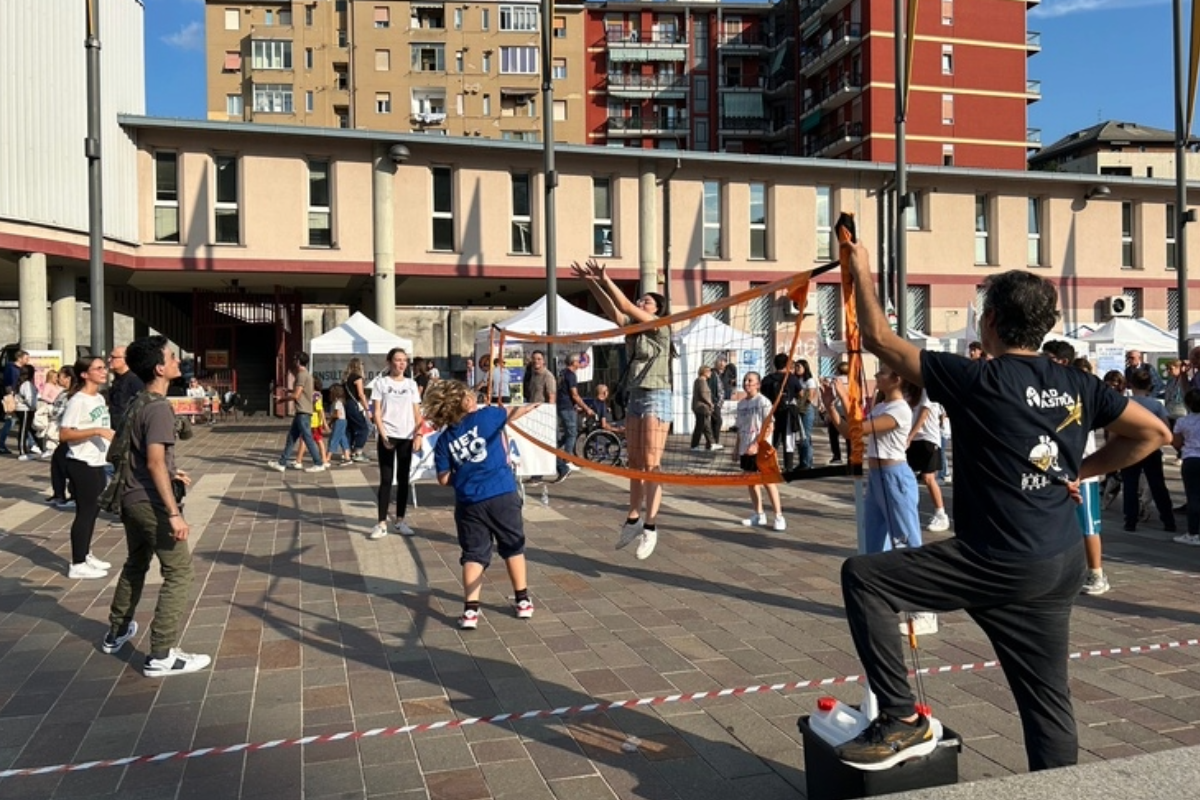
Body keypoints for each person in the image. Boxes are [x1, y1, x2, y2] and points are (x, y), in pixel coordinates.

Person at [833, 242, 1169, 772]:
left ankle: (901, 720)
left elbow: (878, 339)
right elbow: (1154, 432)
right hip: (1060, 560)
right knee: (1047, 707)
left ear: (989, 321)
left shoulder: (976, 379)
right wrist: (1081, 471)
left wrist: (856, 268)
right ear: (1045, 325)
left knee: (865, 579)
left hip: (1000, 559)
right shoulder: (1075, 381)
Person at [102, 335, 211, 677]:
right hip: (150, 502)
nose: (178, 360)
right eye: (172, 357)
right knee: (179, 572)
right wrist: (174, 514)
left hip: (130, 499)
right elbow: (152, 461)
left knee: (136, 563)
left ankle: (116, 632)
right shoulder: (160, 407)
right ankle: (162, 653)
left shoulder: (139, 401)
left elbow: (136, 454)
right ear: (160, 368)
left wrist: (169, 470)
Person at [572, 258, 670, 561]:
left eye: (648, 300)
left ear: (657, 309)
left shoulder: (661, 328)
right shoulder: (633, 330)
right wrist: (591, 282)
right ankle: (632, 518)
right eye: (642, 298)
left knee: (652, 464)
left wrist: (606, 277)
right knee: (635, 463)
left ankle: (651, 527)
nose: (643, 301)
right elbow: (617, 311)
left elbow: (626, 306)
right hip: (636, 395)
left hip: (657, 394)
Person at [425, 380, 541, 629]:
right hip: (502, 493)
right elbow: (513, 412)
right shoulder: (488, 416)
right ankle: (522, 601)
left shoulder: (445, 440)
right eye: (470, 393)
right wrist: (533, 406)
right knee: (513, 547)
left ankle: (470, 611)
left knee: (474, 554)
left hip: (469, 502)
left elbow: (444, 478)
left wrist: (464, 475)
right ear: (465, 401)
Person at [823, 368, 921, 553]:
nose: (876, 375)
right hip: (876, 476)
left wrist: (845, 397)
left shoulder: (900, 409)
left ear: (897, 379)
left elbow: (859, 429)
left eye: (882, 372)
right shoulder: (880, 406)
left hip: (895, 476)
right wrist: (830, 406)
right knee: (872, 538)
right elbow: (849, 432)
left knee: (905, 539)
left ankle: (913, 578)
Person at [1045, 341, 1109, 595]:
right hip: (1055, 469)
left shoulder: (1081, 391)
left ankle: (1097, 574)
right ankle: (1061, 573)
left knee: (1088, 525)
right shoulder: (1047, 390)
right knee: (1056, 524)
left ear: (1061, 361)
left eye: (1047, 358)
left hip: (1082, 470)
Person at [59, 356, 114, 579]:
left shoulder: (99, 398)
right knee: (85, 512)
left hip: (98, 461)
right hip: (81, 463)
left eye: (104, 367)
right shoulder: (77, 401)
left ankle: (86, 553)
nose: (104, 371)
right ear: (84, 374)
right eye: (98, 368)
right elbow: (65, 434)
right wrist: (96, 431)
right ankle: (77, 563)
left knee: (94, 511)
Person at [369, 348, 424, 539]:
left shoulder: (411, 384)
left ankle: (400, 520)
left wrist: (419, 434)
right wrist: (383, 434)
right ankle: (381, 523)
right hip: (388, 434)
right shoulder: (381, 383)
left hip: (407, 436)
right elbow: (376, 412)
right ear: (389, 361)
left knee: (403, 479)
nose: (401, 364)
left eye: (404, 360)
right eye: (397, 360)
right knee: (386, 479)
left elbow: (417, 413)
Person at [1120, 369, 1175, 534]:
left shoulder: (1125, 403)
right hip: (1151, 447)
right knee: (1157, 484)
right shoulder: (1156, 405)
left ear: (1130, 384)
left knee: (1130, 485)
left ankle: (1130, 521)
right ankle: (1168, 520)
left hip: (1129, 447)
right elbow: (1166, 427)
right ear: (1150, 385)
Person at [736, 372, 786, 532]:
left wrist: (757, 445)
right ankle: (759, 514)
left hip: (761, 449)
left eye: (750, 380)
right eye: (745, 380)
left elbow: (770, 426)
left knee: (768, 482)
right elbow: (740, 428)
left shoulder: (763, 402)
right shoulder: (741, 404)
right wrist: (737, 447)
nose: (747, 383)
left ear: (758, 384)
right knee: (751, 482)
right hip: (746, 448)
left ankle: (779, 516)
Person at [267, 351, 326, 473]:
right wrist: (288, 390)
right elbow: (302, 392)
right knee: (292, 437)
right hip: (304, 411)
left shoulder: (301, 375)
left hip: (303, 412)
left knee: (308, 438)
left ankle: (318, 463)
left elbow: (296, 395)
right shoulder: (308, 376)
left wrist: (281, 399)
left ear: (298, 362)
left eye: (295, 360)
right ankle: (282, 462)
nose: (293, 362)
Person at [903, 382, 950, 533]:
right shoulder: (910, 389)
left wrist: (910, 436)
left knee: (928, 477)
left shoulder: (927, 389)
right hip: (914, 439)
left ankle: (941, 514)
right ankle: (908, 512)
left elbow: (924, 413)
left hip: (928, 438)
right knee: (907, 476)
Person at [761, 354, 805, 472]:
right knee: (788, 440)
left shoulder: (767, 379)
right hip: (788, 413)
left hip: (771, 412)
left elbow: (762, 395)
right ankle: (788, 466)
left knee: (772, 439)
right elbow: (801, 393)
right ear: (787, 364)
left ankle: (770, 464)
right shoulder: (791, 378)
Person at [553, 352, 593, 483]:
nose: (580, 364)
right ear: (574, 362)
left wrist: (576, 405)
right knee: (572, 433)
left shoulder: (562, 373)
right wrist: (586, 408)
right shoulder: (571, 375)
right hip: (566, 407)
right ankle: (567, 459)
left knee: (567, 433)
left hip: (562, 405)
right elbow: (574, 394)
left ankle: (557, 452)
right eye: (579, 361)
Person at [1170, 389, 1200, 546]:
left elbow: (1176, 442)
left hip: (1190, 458)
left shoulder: (1182, 422)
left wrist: (1182, 449)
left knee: (1193, 496)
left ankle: (1193, 532)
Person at [46, 366, 75, 509]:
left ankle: (73, 495)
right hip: (64, 433)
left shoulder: (74, 395)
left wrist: (50, 410)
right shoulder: (64, 393)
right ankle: (59, 494)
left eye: (61, 376)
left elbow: (58, 411)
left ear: (69, 378)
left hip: (72, 433)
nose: (59, 379)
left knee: (68, 465)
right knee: (58, 462)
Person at [107, 345, 144, 430]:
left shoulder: (134, 380)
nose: (109, 360)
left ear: (125, 360)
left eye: (113, 357)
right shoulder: (117, 379)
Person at [342, 357, 371, 463]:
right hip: (354, 405)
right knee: (364, 428)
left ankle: (348, 451)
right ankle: (358, 451)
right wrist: (368, 409)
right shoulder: (357, 378)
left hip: (346, 404)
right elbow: (361, 394)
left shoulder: (346, 378)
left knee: (350, 429)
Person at [823, 361, 852, 465]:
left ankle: (836, 455)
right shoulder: (853, 381)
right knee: (850, 436)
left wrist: (828, 411)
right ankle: (850, 457)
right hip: (849, 411)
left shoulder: (836, 381)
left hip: (837, 411)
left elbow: (832, 395)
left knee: (833, 435)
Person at [0, 350, 29, 452]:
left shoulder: (21, 369)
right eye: (26, 358)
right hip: (13, 397)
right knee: (11, 420)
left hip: (18, 396)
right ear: (19, 358)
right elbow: (8, 383)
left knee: (18, 421)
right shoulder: (11, 368)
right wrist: (10, 395)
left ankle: (30, 443)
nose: (27, 360)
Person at [793, 359, 819, 469]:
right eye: (795, 367)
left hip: (806, 409)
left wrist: (799, 394)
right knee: (799, 437)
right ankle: (802, 462)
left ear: (805, 367)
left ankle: (807, 463)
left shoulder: (809, 381)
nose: (797, 369)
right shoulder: (795, 379)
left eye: (799, 366)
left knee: (806, 437)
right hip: (797, 409)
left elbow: (810, 397)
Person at [690, 365, 720, 451]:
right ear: (704, 372)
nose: (711, 373)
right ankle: (694, 446)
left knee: (706, 426)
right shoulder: (701, 381)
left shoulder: (699, 380)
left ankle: (712, 444)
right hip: (701, 408)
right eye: (709, 371)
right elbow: (703, 394)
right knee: (700, 426)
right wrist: (710, 403)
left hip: (700, 407)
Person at [15, 364, 41, 460]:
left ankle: (32, 448)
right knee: (23, 430)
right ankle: (22, 451)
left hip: (25, 409)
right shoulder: (27, 384)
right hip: (25, 409)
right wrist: (34, 406)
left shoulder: (22, 383)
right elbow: (29, 398)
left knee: (28, 429)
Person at [327, 383, 352, 465]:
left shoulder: (337, 402)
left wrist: (330, 417)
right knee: (342, 438)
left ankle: (327, 457)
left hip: (339, 422)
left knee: (334, 439)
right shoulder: (338, 402)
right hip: (341, 421)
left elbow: (337, 414)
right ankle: (347, 457)